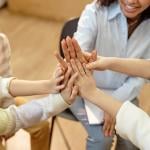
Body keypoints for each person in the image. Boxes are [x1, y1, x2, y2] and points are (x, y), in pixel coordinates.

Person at [60, 0, 150, 149]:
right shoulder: (95, 12)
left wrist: (114, 102)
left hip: (125, 92)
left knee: (130, 141)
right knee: (103, 139)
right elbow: (77, 59)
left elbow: (142, 74)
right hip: (83, 91)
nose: (132, 0)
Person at [0, 33, 78, 150]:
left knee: (42, 126)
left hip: (4, 106)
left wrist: (48, 85)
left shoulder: (2, 40)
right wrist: (60, 99)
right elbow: (14, 118)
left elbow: (4, 83)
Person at [67, 58, 150, 150]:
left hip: (122, 97)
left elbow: (143, 132)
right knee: (102, 138)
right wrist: (108, 63)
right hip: (83, 90)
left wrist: (97, 96)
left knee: (126, 142)